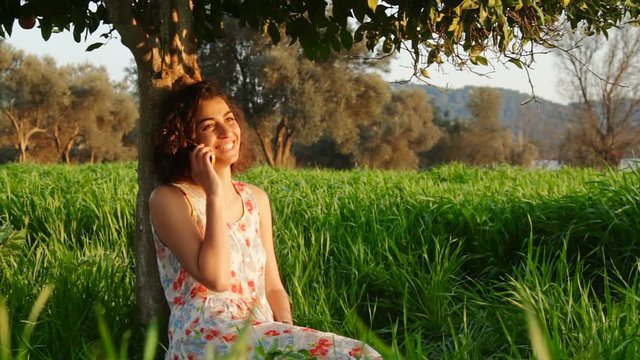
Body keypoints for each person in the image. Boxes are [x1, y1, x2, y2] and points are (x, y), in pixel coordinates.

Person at [149, 80, 382, 359]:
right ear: (186, 139)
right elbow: (217, 278)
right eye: (208, 126)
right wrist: (213, 193)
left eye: (230, 119)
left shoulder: (255, 199)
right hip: (206, 334)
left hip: (260, 329)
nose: (226, 131)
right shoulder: (170, 199)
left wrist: (288, 336)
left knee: (356, 353)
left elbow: (272, 286)